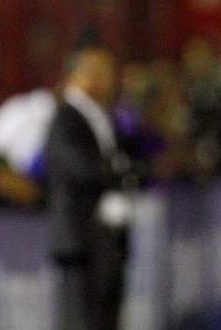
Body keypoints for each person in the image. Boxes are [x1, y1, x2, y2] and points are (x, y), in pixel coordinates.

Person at [46, 48, 132, 330]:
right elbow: (80, 167)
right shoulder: (66, 118)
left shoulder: (104, 115)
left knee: (105, 314)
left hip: (105, 239)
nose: (108, 79)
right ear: (81, 75)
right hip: (79, 238)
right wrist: (118, 174)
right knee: (81, 319)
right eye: (100, 72)